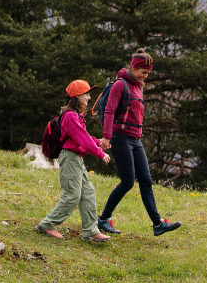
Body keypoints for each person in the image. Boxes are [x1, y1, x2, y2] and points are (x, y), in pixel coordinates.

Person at [98, 50, 183, 237]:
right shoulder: (120, 85)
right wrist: (106, 137)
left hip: (135, 140)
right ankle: (103, 219)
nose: (145, 76)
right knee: (128, 182)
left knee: (146, 180)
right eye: (143, 72)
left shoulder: (139, 86)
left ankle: (157, 224)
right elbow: (110, 111)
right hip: (120, 137)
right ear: (134, 67)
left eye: (147, 74)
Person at [37, 80, 114, 244]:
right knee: (72, 195)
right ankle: (47, 224)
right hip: (70, 158)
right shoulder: (71, 116)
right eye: (86, 94)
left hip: (76, 158)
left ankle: (91, 231)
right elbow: (83, 139)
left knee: (88, 193)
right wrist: (100, 153)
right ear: (77, 95)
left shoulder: (77, 115)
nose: (89, 97)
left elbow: (84, 137)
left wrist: (99, 142)